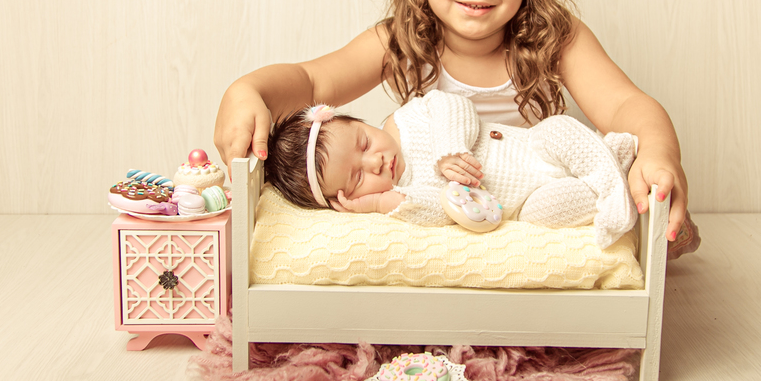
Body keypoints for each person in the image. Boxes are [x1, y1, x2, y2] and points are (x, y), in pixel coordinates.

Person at [215, 0, 699, 256]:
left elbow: (625, 104)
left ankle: (659, 230)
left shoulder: (556, 36)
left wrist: (660, 153)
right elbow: (312, 81)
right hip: (457, 209)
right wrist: (247, 90)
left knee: (633, 189)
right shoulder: (403, 41)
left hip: (533, 187)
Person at [264, 91, 640, 249]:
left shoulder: (408, 120)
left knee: (558, 129)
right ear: (345, 199)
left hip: (534, 149)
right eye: (358, 177)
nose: (375, 160)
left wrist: (449, 150)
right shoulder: (405, 195)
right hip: (527, 201)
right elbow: (440, 212)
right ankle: (608, 186)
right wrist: (379, 204)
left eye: (363, 142)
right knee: (543, 215)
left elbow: (454, 104)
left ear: (359, 121)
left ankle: (606, 167)